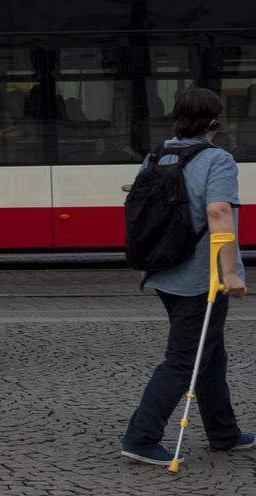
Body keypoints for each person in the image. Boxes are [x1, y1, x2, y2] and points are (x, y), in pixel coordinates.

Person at [121, 88, 253, 464]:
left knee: (210, 354)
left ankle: (224, 432)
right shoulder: (218, 159)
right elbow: (218, 213)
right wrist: (230, 273)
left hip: (164, 270)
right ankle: (141, 438)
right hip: (202, 278)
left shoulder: (156, 155)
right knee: (183, 360)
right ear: (214, 122)